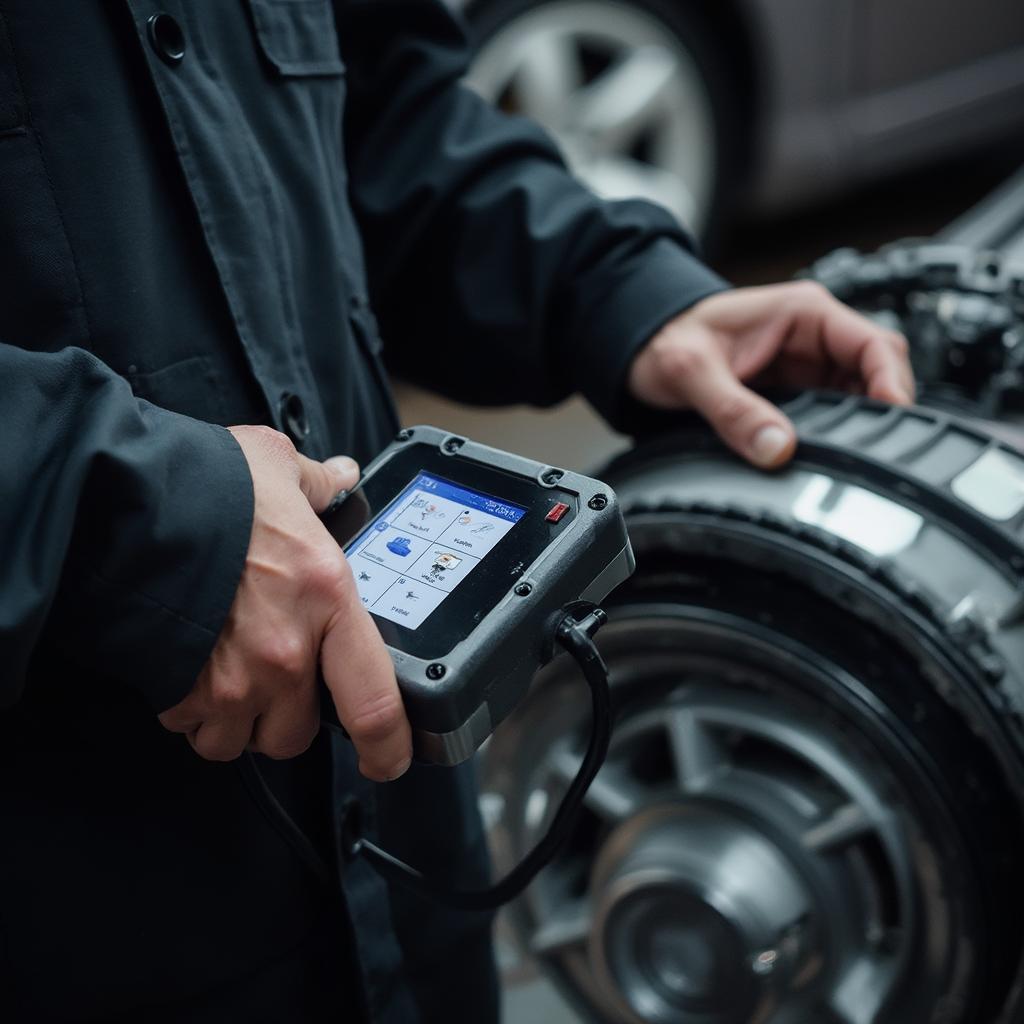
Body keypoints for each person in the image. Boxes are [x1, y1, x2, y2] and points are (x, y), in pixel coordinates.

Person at [0, 1, 913, 1021]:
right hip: (83, 914)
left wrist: (618, 289)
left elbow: (385, 121)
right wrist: (132, 513)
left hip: (406, 872)